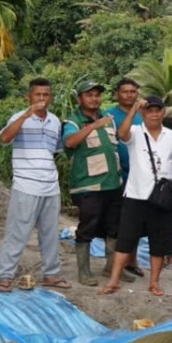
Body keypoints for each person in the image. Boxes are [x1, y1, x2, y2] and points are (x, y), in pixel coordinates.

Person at [100, 95, 172, 297]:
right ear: (143, 113)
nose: (154, 114)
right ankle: (114, 280)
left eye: (157, 110)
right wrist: (134, 108)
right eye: (150, 110)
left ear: (163, 112)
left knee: (159, 242)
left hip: (162, 197)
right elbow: (121, 133)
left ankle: (154, 283)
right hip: (135, 195)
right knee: (125, 240)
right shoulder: (136, 132)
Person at [0, 78, 69, 292]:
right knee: (17, 232)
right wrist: (27, 114)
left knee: (50, 232)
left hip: (50, 185)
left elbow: (55, 150)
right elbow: (4, 138)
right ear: (29, 96)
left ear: (51, 97)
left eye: (46, 95)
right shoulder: (19, 117)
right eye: (38, 95)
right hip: (26, 185)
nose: (42, 99)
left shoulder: (55, 121)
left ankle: (51, 275)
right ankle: (5, 276)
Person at [63, 80, 124, 287]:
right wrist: (92, 127)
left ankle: (110, 267)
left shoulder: (109, 119)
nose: (94, 98)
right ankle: (84, 271)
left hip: (113, 184)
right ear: (79, 98)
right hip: (88, 186)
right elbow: (69, 143)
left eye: (97, 95)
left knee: (114, 227)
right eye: (89, 95)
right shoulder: (72, 121)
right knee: (87, 227)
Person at [105, 77, 144, 280]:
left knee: (136, 219)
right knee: (118, 220)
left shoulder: (145, 113)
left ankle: (132, 261)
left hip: (140, 174)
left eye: (133, 91)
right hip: (117, 174)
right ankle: (113, 264)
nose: (129, 95)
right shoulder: (109, 114)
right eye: (125, 92)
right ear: (117, 94)